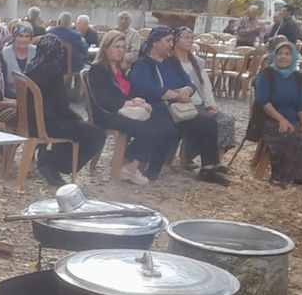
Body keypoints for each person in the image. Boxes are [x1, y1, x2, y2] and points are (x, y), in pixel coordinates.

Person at [128, 25, 229, 185]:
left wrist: (186, 91)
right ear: (155, 42)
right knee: (167, 127)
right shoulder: (143, 64)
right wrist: (175, 94)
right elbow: (146, 88)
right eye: (167, 41)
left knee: (208, 123)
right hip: (155, 109)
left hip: (179, 109)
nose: (171, 44)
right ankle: (152, 170)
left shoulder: (172, 63)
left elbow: (190, 83)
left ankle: (208, 169)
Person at [87, 30, 175, 184]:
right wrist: (128, 103)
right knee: (148, 129)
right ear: (106, 48)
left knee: (163, 123)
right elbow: (103, 99)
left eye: (123, 47)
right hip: (107, 114)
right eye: (117, 47)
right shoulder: (98, 69)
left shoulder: (119, 69)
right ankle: (127, 166)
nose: (121, 50)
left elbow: (128, 91)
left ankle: (130, 165)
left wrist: (139, 100)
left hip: (124, 110)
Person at [21, 34, 107, 186]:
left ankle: (49, 160)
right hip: (48, 124)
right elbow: (61, 106)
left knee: (75, 128)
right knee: (97, 134)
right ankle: (53, 164)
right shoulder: (53, 72)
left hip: (31, 121)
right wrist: (76, 118)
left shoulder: (31, 66)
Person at [253, 40, 302, 186]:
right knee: (287, 134)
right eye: (280, 54)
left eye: (287, 54)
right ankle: (280, 176)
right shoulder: (267, 74)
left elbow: (301, 104)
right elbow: (263, 102)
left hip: (293, 120)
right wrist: (281, 119)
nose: (283, 57)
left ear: (293, 57)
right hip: (270, 120)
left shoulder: (298, 77)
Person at [169, 26, 236, 166]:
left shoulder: (197, 62)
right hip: (182, 105)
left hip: (200, 104)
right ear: (176, 41)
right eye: (186, 37)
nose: (190, 40)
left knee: (226, 122)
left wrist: (211, 105)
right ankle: (188, 157)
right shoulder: (170, 62)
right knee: (204, 121)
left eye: (192, 37)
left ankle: (217, 161)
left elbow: (206, 86)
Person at [0, 22, 36, 99]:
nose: (23, 39)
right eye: (20, 36)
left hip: (34, 95)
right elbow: (3, 85)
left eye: (27, 36)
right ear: (14, 36)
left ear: (31, 38)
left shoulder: (36, 51)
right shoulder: (4, 53)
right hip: (11, 96)